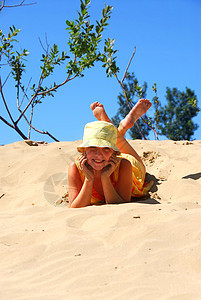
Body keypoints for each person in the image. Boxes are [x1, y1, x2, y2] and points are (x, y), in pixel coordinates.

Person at [68, 99, 153, 208]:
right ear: (84, 150)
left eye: (106, 148)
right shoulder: (75, 168)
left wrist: (105, 178)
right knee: (115, 141)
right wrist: (89, 179)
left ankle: (119, 132)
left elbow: (120, 205)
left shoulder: (125, 165)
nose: (98, 155)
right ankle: (119, 130)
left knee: (138, 163)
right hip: (109, 157)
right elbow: (74, 208)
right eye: (93, 147)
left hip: (124, 167)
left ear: (114, 152)